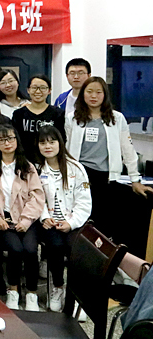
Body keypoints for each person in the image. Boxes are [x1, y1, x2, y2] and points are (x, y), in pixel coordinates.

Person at [65, 77, 153, 253]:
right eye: (89, 92)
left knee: (106, 222)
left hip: (107, 177)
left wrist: (135, 179)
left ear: (105, 95)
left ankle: (108, 259)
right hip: (81, 176)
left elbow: (127, 148)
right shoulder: (72, 118)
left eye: (98, 92)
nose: (94, 96)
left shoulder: (116, 118)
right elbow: (66, 147)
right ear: (83, 94)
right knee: (84, 220)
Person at [0, 124, 45, 311]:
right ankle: (13, 291)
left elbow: (37, 196)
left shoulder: (27, 167)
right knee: (15, 249)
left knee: (30, 250)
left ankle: (31, 293)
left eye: (10, 138)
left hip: (28, 220)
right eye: (2, 140)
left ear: (17, 140)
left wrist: (26, 220)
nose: (7, 143)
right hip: (5, 221)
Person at [36, 126, 92, 312]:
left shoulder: (76, 168)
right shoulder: (37, 169)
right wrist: (44, 217)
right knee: (55, 246)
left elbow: (84, 201)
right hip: (49, 223)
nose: (47, 146)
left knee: (76, 248)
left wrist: (71, 223)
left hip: (74, 222)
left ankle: (76, 294)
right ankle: (58, 287)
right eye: (43, 143)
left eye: (52, 142)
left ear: (60, 143)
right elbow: (36, 198)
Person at [11, 74, 65, 163]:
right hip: (24, 161)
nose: (38, 91)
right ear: (28, 90)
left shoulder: (57, 114)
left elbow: (62, 139)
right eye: (34, 87)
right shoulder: (19, 114)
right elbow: (15, 139)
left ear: (49, 91)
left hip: (49, 161)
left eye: (43, 88)